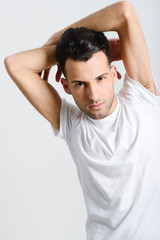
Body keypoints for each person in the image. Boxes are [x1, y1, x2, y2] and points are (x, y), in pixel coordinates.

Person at [4, 1, 160, 239]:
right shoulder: (71, 123)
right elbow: (14, 64)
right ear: (66, 86)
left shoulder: (142, 97)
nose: (94, 95)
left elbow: (124, 11)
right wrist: (60, 52)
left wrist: (60, 35)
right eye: (80, 83)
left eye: (100, 78)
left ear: (115, 72)